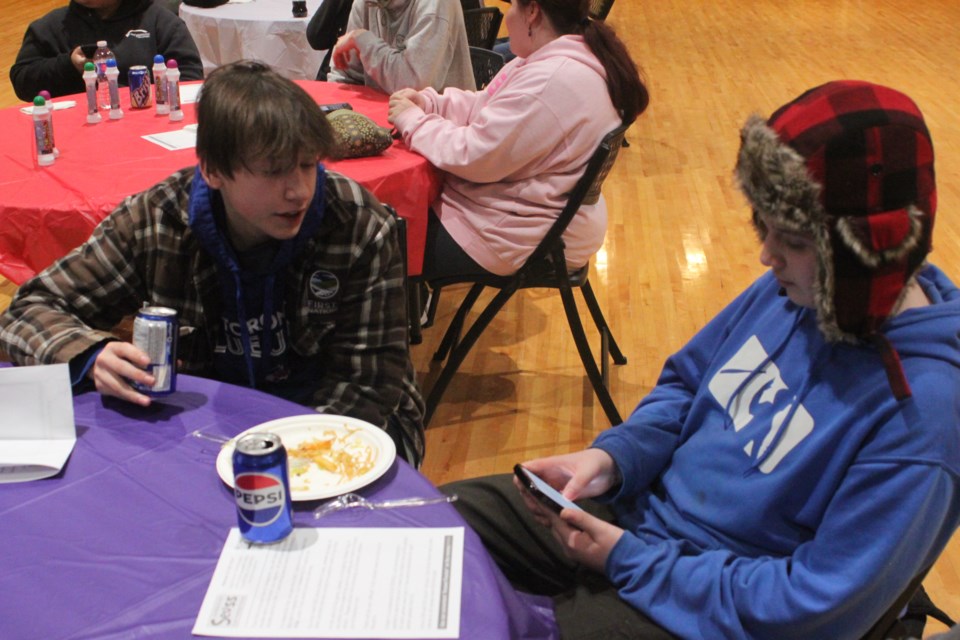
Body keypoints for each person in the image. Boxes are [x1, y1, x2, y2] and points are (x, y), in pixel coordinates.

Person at [442, 80, 960, 639]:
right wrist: (613, 459)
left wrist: (628, 561)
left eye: (793, 239)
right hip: (637, 525)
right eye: (766, 228)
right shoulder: (801, 288)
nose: (767, 254)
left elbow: (811, 608)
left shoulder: (925, 414)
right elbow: (689, 384)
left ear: (865, 248)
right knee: (432, 526)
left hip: (718, 608)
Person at [0, 60, 425, 466]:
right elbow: (27, 313)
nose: (298, 191)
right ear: (213, 171)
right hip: (201, 429)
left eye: (307, 165)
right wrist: (92, 354)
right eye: (274, 171)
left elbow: (367, 388)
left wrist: (271, 460)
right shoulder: (159, 217)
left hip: (335, 428)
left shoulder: (358, 223)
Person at [387, 0, 648, 279]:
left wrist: (413, 121)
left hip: (511, 236)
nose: (507, 17)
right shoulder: (559, 58)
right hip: (529, 221)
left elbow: (474, 155)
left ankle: (407, 312)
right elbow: (487, 105)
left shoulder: (553, 80)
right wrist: (431, 104)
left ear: (532, 12)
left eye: (511, 6)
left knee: (379, 242)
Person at [9, 0, 203, 103]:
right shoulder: (49, 26)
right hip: (72, 138)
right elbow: (23, 83)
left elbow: (190, 79)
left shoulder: (162, 22)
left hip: (145, 131)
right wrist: (68, 66)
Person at [327, 0, 475, 94]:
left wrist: (363, 41)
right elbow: (346, 76)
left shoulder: (435, 4)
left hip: (439, 128)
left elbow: (412, 86)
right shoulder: (364, 3)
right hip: (381, 119)